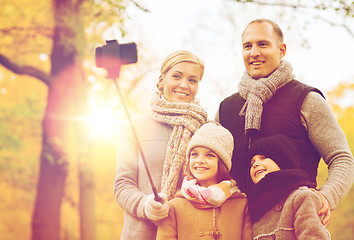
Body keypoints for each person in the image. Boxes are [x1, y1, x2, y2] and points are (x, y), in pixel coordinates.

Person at [217, 18, 354, 227]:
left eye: (263, 44)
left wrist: (325, 197)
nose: (254, 52)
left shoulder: (306, 99)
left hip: (291, 226)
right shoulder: (225, 109)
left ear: (282, 50)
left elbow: (342, 158)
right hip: (235, 227)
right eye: (247, 46)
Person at [114, 50, 208, 239]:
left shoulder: (207, 130)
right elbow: (122, 185)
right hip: (142, 233)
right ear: (161, 80)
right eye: (176, 76)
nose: (184, 85)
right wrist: (145, 205)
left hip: (191, 232)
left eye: (192, 80)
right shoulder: (135, 125)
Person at [156, 122, 253, 240]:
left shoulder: (242, 206)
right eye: (194, 154)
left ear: (222, 162)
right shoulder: (173, 207)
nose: (200, 160)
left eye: (210, 155)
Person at [248, 135, 331, 239]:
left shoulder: (301, 197)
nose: (255, 164)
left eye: (263, 158)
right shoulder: (254, 207)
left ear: (282, 160)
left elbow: (313, 236)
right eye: (252, 162)